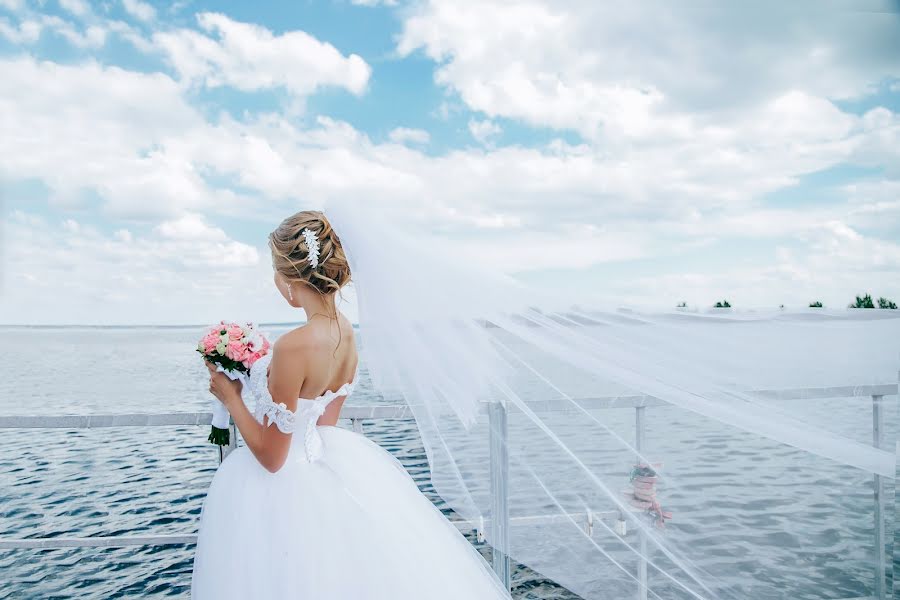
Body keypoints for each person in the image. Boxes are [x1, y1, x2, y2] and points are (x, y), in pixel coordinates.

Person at [191, 210, 512, 599]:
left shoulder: (294, 345)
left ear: (288, 278)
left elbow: (273, 457)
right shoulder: (345, 330)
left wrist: (231, 398)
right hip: (326, 466)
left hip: (283, 484)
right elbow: (325, 424)